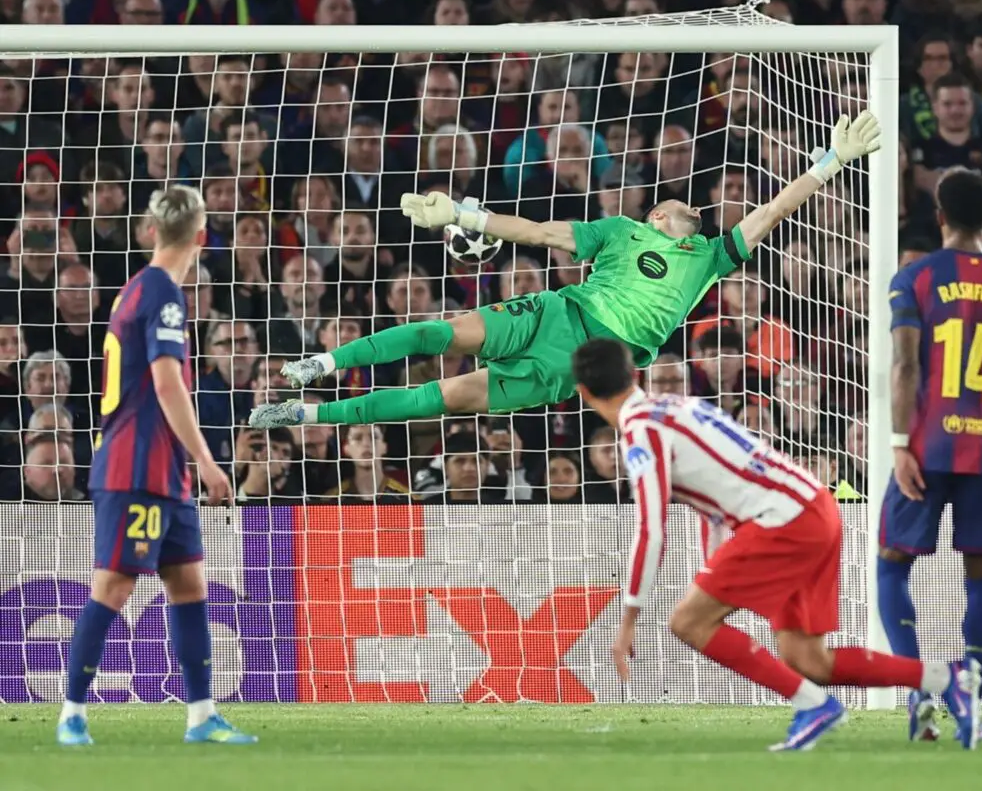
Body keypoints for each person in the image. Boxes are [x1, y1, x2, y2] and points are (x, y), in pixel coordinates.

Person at [248, 111, 883, 428]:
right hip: (557, 309)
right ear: (659, 215)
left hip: (582, 361)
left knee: (444, 398)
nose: (689, 203)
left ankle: (306, 415)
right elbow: (541, 232)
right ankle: (320, 365)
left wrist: (833, 159)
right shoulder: (621, 231)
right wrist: (463, 216)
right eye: (675, 202)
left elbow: (771, 210)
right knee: (441, 333)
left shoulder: (713, 258)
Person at [573, 338, 979, 752]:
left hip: (781, 522)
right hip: (814, 506)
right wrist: (716, 566)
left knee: (688, 622)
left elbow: (651, 527)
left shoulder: (640, 429)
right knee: (807, 661)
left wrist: (628, 620)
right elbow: (710, 500)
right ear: (636, 375)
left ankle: (814, 705)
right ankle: (948, 679)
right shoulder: (681, 406)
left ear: (583, 392)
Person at [58, 186, 255, 747]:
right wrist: (209, 462)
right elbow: (168, 384)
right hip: (137, 467)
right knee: (114, 588)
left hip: (163, 470)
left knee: (189, 586)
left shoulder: (134, 290)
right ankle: (71, 712)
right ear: (201, 237)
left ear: (149, 230)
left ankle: (201, 715)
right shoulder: (165, 294)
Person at [879, 170, 982, 746]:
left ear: (940, 216)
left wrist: (901, 444)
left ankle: (919, 691)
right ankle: (970, 700)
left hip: (925, 446)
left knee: (891, 563)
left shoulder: (915, 278)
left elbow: (905, 365)